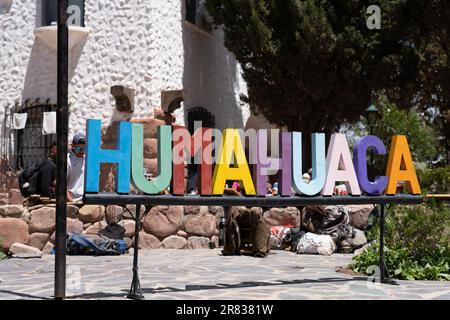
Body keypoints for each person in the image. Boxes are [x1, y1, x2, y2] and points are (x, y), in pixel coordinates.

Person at [67, 133, 86, 202]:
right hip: (72, 201)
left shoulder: (87, 159)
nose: (81, 151)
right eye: (79, 149)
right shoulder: (68, 160)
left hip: (86, 200)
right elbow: (60, 184)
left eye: (83, 149)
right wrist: (71, 202)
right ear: (73, 146)